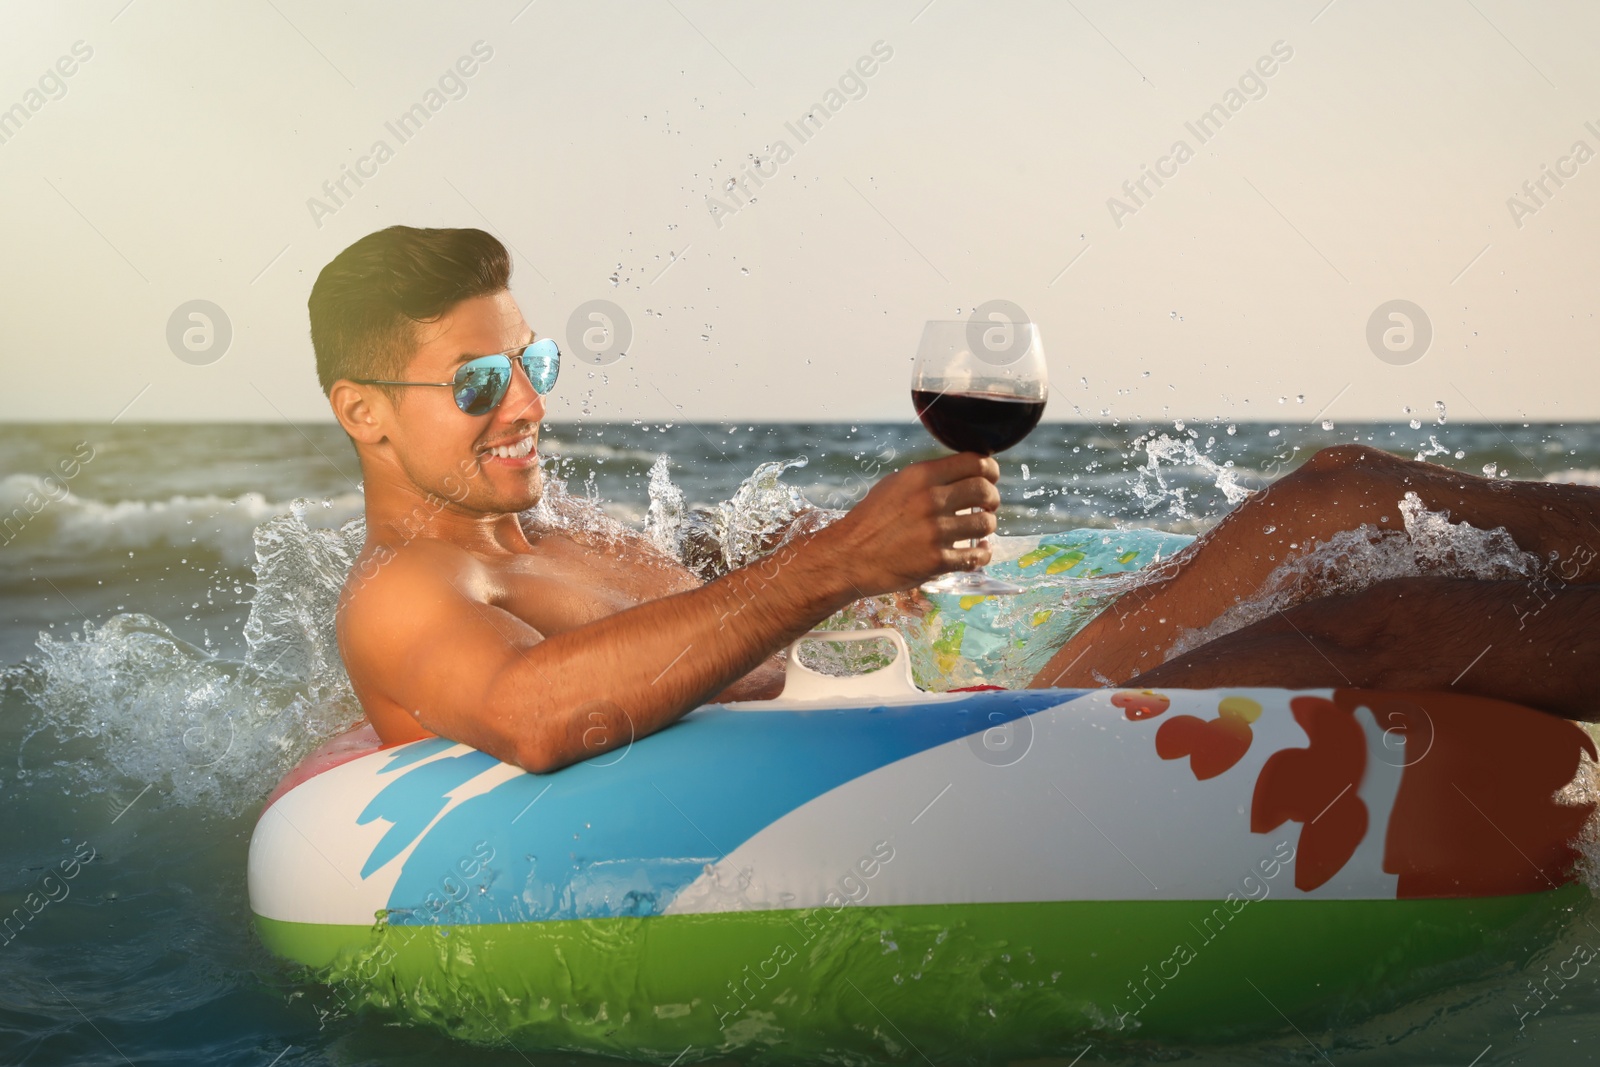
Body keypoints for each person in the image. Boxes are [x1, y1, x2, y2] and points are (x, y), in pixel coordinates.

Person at [312, 226, 1599, 773]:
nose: (527, 403)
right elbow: (534, 717)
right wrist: (827, 566)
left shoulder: (556, 531)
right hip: (973, 748)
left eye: (532, 361)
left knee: (1337, 492)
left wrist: (809, 551)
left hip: (965, 679)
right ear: (361, 407)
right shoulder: (411, 594)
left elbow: (706, 607)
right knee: (1386, 627)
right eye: (478, 379)